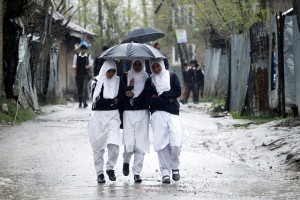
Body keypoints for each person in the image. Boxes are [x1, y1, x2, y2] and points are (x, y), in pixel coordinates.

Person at [147, 59, 182, 184]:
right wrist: (167, 98)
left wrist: (161, 96)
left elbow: (177, 92)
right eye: (153, 67)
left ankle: (175, 167)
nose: (156, 69)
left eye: (158, 66)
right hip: (157, 113)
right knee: (161, 143)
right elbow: (148, 99)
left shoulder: (172, 76)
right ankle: (165, 172)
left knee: (176, 141)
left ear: (162, 65)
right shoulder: (150, 80)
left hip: (173, 112)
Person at [88, 59, 121, 184]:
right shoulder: (97, 81)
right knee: (98, 146)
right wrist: (113, 101)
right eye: (109, 71)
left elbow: (121, 97)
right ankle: (99, 173)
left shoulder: (118, 81)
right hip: (98, 116)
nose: (111, 74)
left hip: (113, 115)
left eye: (113, 71)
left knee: (114, 144)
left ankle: (110, 168)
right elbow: (97, 101)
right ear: (104, 70)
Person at [119, 59, 150, 183]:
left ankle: (137, 172)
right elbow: (120, 93)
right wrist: (129, 88)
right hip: (128, 112)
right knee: (129, 143)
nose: (137, 67)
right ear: (132, 65)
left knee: (141, 144)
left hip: (143, 112)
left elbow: (150, 93)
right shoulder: (126, 76)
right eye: (135, 64)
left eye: (139, 64)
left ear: (143, 65)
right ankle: (126, 161)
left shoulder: (147, 78)